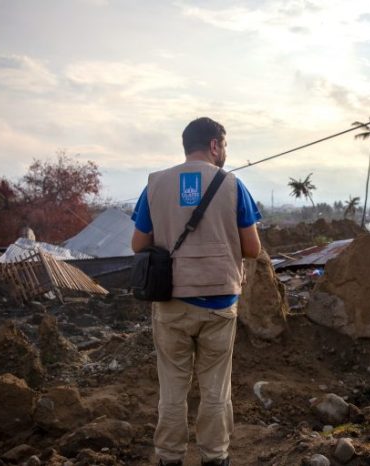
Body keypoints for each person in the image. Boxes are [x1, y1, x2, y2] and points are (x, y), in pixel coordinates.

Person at [131, 117, 261, 466]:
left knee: (173, 388)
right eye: (225, 146)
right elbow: (252, 249)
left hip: (171, 303)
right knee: (215, 388)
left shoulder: (155, 185)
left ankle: (169, 457)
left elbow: (137, 243)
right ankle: (215, 457)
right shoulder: (233, 185)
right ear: (215, 145)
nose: (225, 153)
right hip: (219, 305)